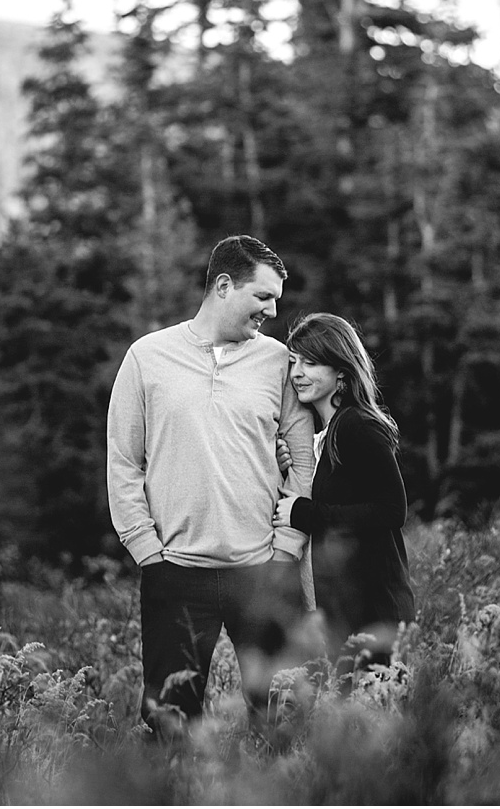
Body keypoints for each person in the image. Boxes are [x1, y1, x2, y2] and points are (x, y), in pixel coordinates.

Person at [106, 235, 317, 738]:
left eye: (276, 300)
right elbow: (122, 461)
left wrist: (287, 547)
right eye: (262, 297)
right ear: (223, 285)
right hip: (176, 571)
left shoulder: (277, 362)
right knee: (170, 721)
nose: (271, 310)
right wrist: (147, 550)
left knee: (282, 717)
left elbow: (304, 460)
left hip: (265, 571)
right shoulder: (147, 357)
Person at [275, 313, 415, 681]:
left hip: (374, 612)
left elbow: (392, 510)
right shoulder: (324, 436)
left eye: (310, 362)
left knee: (376, 723)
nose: (297, 373)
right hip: (342, 614)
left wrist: (306, 514)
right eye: (294, 362)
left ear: (341, 371)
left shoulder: (358, 425)